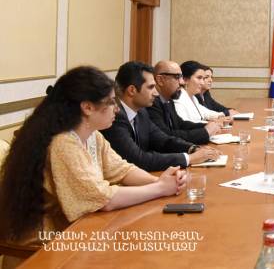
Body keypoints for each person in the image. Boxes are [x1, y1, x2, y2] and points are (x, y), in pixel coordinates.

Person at [0, 67, 187, 268]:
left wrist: (161, 181)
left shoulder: (92, 135)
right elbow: (102, 199)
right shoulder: (63, 143)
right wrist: (159, 188)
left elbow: (122, 169)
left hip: (73, 231)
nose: (117, 109)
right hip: (46, 245)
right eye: (111, 102)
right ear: (87, 107)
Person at [102, 61, 220, 172]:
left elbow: (163, 140)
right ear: (132, 90)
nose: (156, 93)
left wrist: (192, 148)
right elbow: (138, 159)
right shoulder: (115, 117)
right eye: (150, 87)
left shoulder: (141, 112)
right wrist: (189, 158)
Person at [147, 60, 221, 144]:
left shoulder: (168, 99)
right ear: (160, 80)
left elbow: (180, 124)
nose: (182, 82)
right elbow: (165, 135)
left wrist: (206, 126)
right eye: (177, 77)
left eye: (181, 77)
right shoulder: (151, 103)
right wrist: (204, 132)